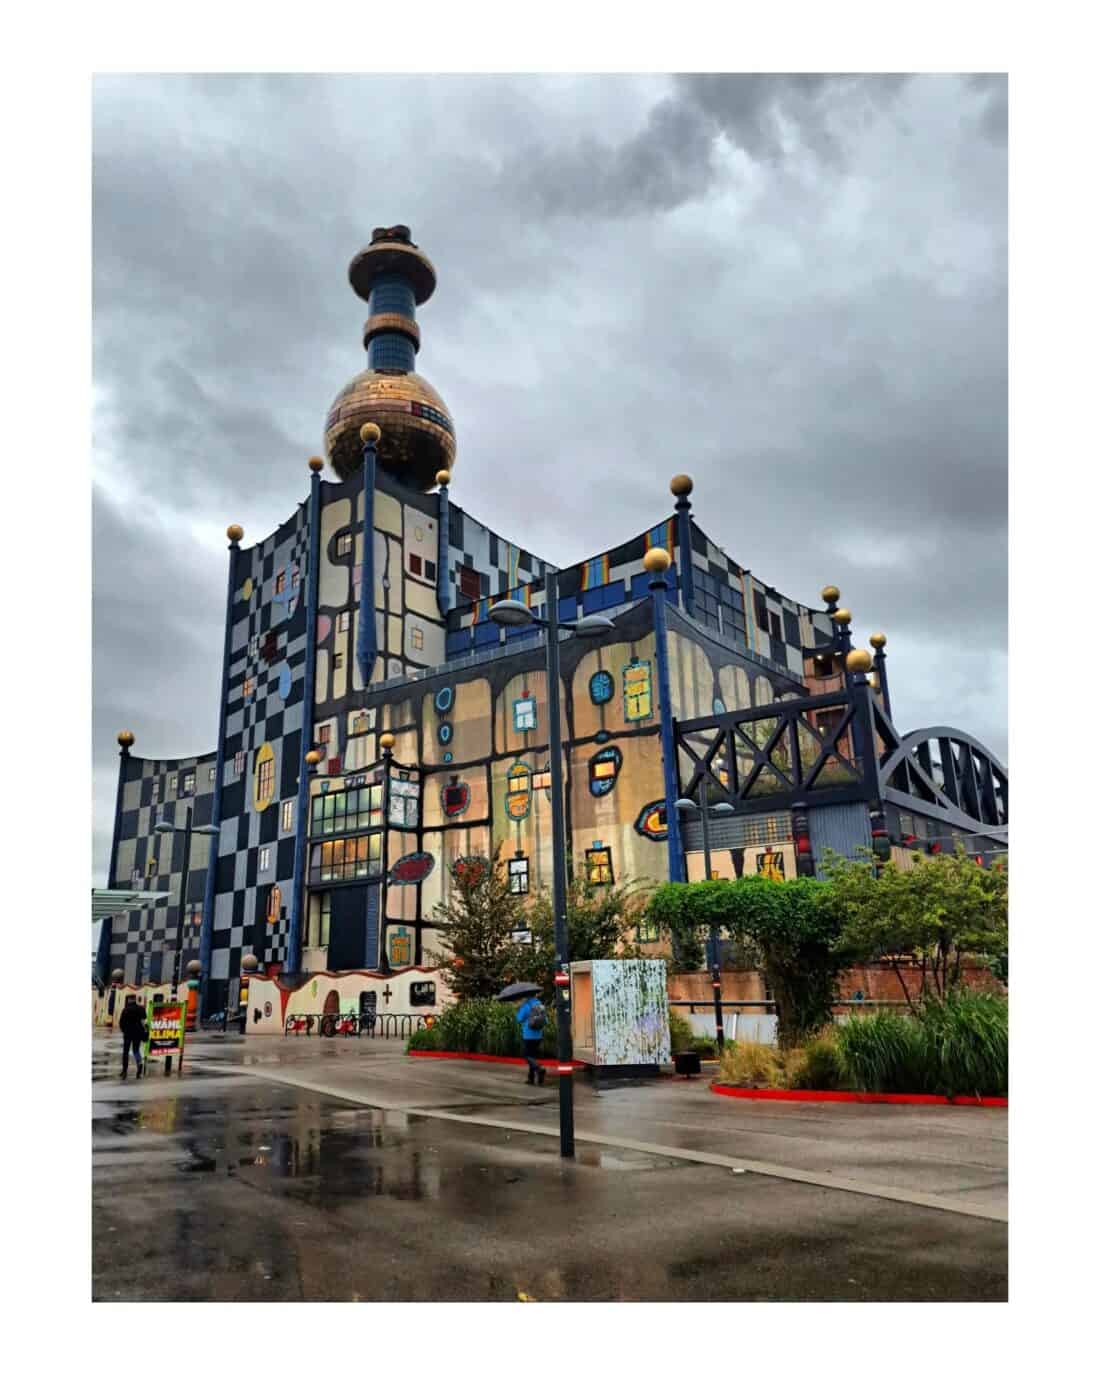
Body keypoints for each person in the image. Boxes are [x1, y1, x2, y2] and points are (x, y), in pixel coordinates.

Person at [515, 994, 547, 1086]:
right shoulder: (540, 1005)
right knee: (532, 1056)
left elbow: (519, 1019)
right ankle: (531, 1078)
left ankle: (539, 1069)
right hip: (539, 1035)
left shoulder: (526, 1005)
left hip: (528, 1035)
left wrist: (519, 1009)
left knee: (526, 1055)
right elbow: (546, 1020)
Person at [118, 995, 147, 1080]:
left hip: (128, 1033)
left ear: (129, 1000)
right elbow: (144, 1021)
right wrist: (144, 1031)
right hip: (138, 1033)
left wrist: (124, 1030)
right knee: (136, 1050)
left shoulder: (125, 1010)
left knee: (126, 1052)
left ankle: (124, 1071)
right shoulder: (141, 1009)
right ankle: (139, 1064)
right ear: (135, 999)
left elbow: (121, 1023)